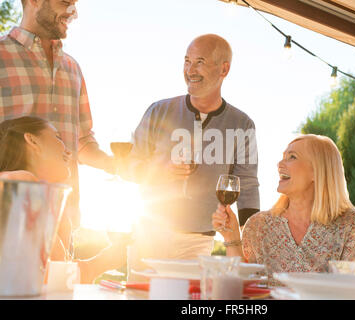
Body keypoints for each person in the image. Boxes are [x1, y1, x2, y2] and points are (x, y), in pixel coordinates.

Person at [127, 34, 260, 273]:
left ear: (224, 69)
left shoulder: (242, 124)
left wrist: (252, 241)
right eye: (187, 61)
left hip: (198, 240)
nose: (190, 70)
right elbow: (130, 166)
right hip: (149, 233)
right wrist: (161, 170)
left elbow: (247, 185)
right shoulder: (158, 111)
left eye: (200, 62)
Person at [0, 0, 115, 260]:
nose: (73, 12)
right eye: (65, 2)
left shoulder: (73, 68)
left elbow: (82, 142)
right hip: (10, 221)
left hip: (63, 221)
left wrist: (118, 166)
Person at [212, 134, 355, 277]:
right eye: (283, 157)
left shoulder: (350, 223)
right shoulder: (257, 225)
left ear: (317, 171)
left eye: (292, 157)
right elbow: (241, 284)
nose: (280, 163)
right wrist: (231, 237)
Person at [0, 116, 127, 284]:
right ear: (32, 140)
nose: (68, 151)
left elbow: (53, 276)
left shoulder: (45, 200)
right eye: (58, 137)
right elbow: (52, 280)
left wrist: (112, 257)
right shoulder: (19, 183)